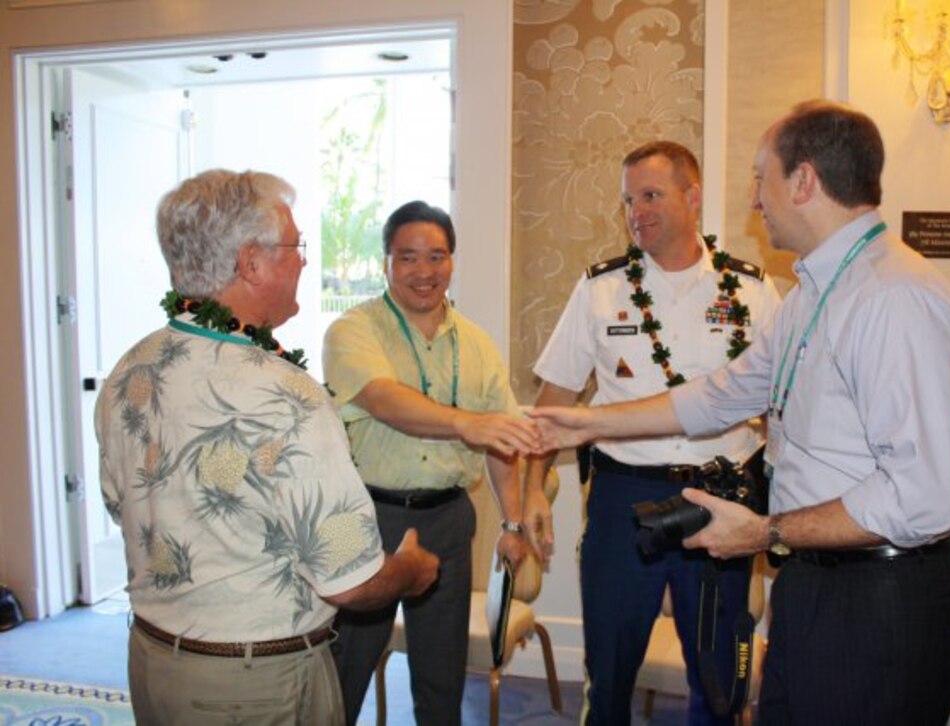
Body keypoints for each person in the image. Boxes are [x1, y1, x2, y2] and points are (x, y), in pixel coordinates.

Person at [531, 101, 950, 725]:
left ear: (803, 182)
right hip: (816, 578)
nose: (753, 199)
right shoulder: (813, 295)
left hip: (880, 592)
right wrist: (584, 422)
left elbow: (921, 496)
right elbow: (722, 394)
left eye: (759, 177)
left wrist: (767, 532)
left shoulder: (893, 300)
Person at [95, 169, 439, 725]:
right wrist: (412, 569)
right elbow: (351, 580)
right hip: (255, 687)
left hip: (152, 662)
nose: (304, 259)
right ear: (251, 262)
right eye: (295, 245)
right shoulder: (286, 396)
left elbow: (122, 505)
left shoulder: (131, 367)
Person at [523, 140, 781, 725]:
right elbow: (555, 399)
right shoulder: (599, 291)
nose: (636, 211)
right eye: (628, 200)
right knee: (608, 672)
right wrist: (534, 490)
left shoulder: (754, 292)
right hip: (623, 498)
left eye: (651, 195)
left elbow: (780, 411)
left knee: (719, 678)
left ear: (693, 198)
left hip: (719, 499)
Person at [323, 200, 537, 725]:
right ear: (386, 262)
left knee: (442, 676)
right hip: (366, 517)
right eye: (409, 257)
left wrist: (510, 522)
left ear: (452, 261)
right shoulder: (354, 330)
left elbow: (502, 440)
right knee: (347, 668)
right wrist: (467, 422)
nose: (424, 271)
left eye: (436, 256)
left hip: (447, 519)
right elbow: (383, 399)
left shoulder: (477, 343)